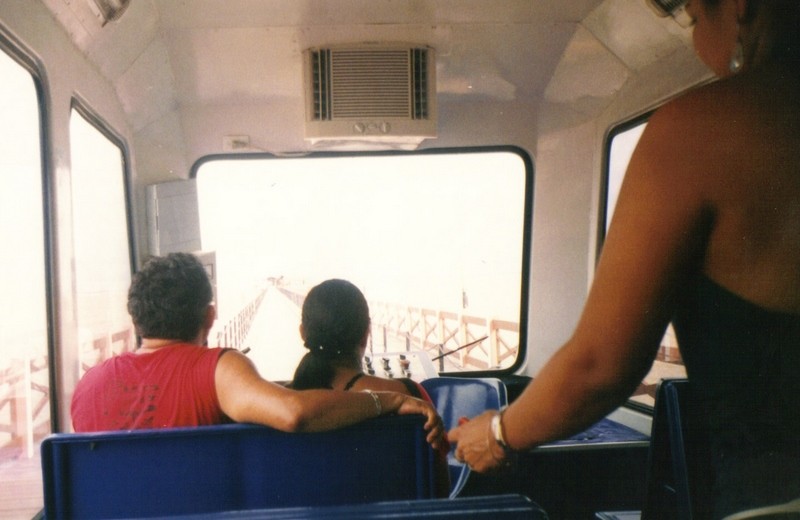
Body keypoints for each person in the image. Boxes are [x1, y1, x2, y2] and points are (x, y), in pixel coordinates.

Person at [447, 0, 800, 517]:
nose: (696, 39)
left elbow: (599, 366)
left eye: (695, 18)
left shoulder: (699, 129)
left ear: (742, 7)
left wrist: (497, 432)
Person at [71, 253, 445, 454]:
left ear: (135, 317)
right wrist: (389, 403)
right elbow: (293, 413)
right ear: (210, 315)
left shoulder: (87, 385)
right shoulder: (216, 369)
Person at [291, 278, 451, 497]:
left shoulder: (273, 406)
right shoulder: (411, 397)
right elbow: (439, 491)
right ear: (366, 331)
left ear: (302, 333)